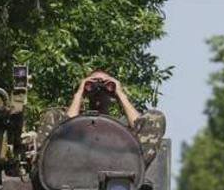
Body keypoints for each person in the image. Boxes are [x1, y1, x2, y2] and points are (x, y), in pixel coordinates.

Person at [37, 70, 166, 164]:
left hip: (119, 169)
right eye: (93, 83)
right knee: (53, 114)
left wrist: (119, 93)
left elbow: (142, 125)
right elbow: (62, 128)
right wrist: (80, 92)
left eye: (105, 84)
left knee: (155, 116)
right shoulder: (75, 124)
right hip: (70, 167)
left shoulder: (123, 126)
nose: (99, 88)